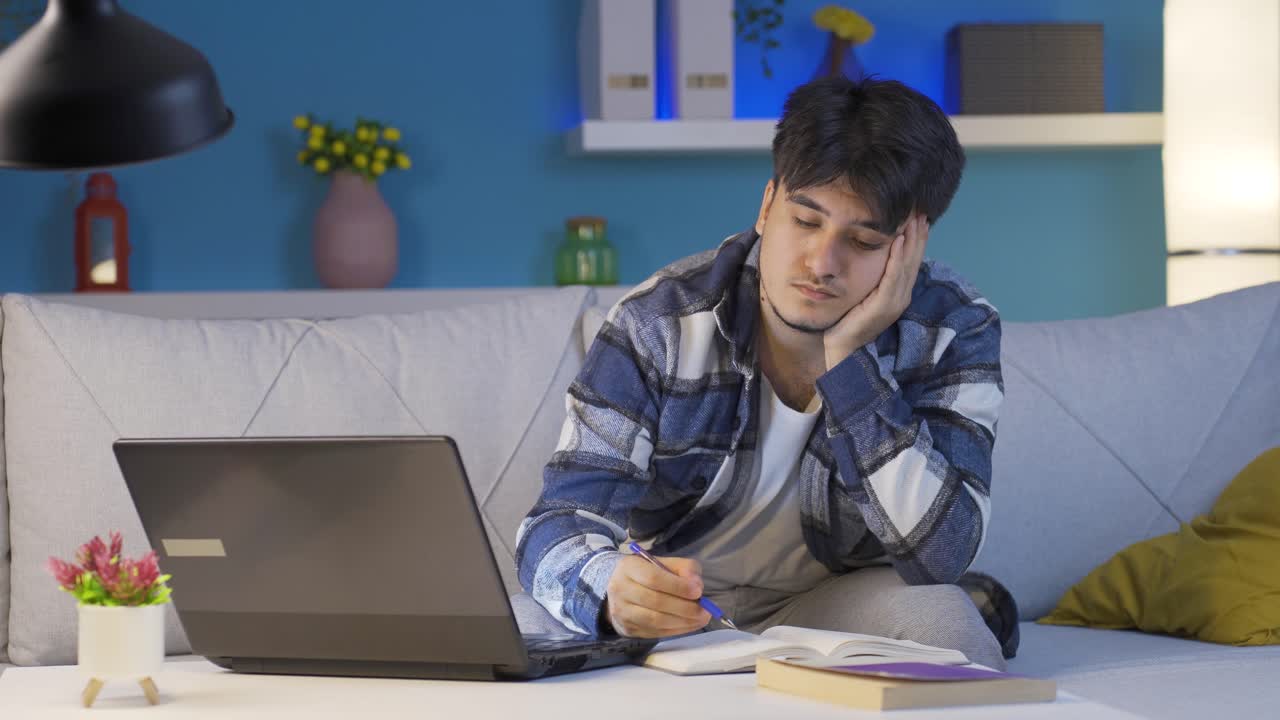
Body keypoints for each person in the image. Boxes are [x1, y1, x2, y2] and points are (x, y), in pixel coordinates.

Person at [515, 76, 1015, 669]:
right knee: (523, 633)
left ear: (909, 245)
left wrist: (850, 363)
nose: (821, 263)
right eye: (805, 221)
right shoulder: (660, 323)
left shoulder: (954, 328)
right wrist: (612, 591)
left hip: (836, 600)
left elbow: (943, 555)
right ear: (767, 205)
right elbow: (555, 524)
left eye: (862, 241)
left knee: (950, 627)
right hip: (683, 604)